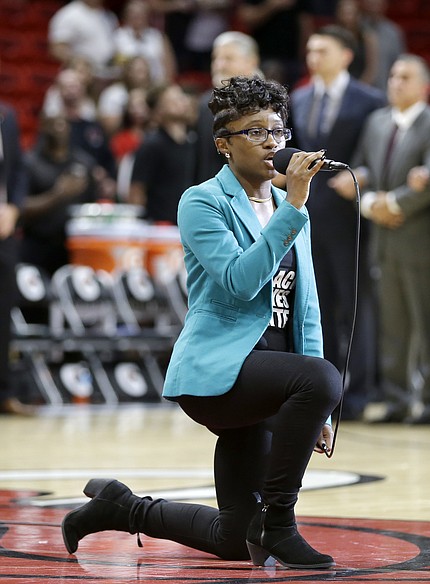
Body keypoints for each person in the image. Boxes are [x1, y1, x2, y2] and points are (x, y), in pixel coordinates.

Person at [61, 75, 343, 569]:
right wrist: (294, 206)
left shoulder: (286, 208)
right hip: (220, 374)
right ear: (224, 146)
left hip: (270, 376)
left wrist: (315, 409)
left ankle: (122, 506)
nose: (272, 142)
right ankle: (280, 521)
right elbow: (239, 280)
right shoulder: (202, 201)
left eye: (277, 130)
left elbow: (308, 307)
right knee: (321, 379)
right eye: (255, 131)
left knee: (235, 538)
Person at [330, 55, 430, 424]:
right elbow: (361, 168)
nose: (395, 82)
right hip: (382, 237)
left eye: (405, 77)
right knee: (392, 326)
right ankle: (398, 400)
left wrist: (394, 201)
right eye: (393, 75)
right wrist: (371, 203)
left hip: (421, 237)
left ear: (424, 86)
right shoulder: (377, 121)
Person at [290, 25, 386, 421]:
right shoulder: (298, 97)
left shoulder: (370, 101)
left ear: (346, 55)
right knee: (318, 308)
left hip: (350, 219)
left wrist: (361, 174)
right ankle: (325, 391)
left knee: (356, 307)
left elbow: (376, 156)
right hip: (307, 218)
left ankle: (360, 392)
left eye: (322, 50)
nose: (314, 57)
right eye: (310, 51)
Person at [20, 114, 96, 276]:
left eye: (63, 123)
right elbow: (20, 207)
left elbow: (93, 206)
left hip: (75, 247)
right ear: (43, 128)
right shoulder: (28, 163)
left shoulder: (84, 163)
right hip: (37, 246)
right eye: (53, 124)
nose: (59, 128)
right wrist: (57, 195)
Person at [0, 99, 35, 416]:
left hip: (4, 231)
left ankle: (4, 393)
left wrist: (13, 207)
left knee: (3, 314)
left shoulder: (6, 116)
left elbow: (18, 172)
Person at [195, 31, 262, 184]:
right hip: (212, 196)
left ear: (251, 61)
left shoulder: (270, 104)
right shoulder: (206, 103)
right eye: (216, 58)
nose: (219, 65)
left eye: (228, 58)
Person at [129, 83, 197, 224]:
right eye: (174, 100)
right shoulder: (152, 145)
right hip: (160, 226)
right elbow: (137, 189)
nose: (182, 102)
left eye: (182, 97)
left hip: (187, 222)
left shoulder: (193, 141)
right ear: (158, 111)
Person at [236, 0, 313, 88]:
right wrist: (272, 5)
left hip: (292, 57)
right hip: (263, 55)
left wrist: (304, 56)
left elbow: (305, 24)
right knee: (272, 71)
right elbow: (246, 18)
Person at [48, 0, 119, 84]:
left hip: (106, 77)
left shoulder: (109, 16)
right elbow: (57, 49)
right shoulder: (69, 14)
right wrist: (80, 63)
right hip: (80, 80)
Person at [113, 0, 176, 84]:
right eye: (133, 14)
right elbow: (114, 65)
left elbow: (169, 67)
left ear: (147, 16)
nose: (137, 17)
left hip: (155, 84)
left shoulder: (158, 36)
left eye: (140, 14)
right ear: (126, 16)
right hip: (127, 85)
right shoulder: (118, 36)